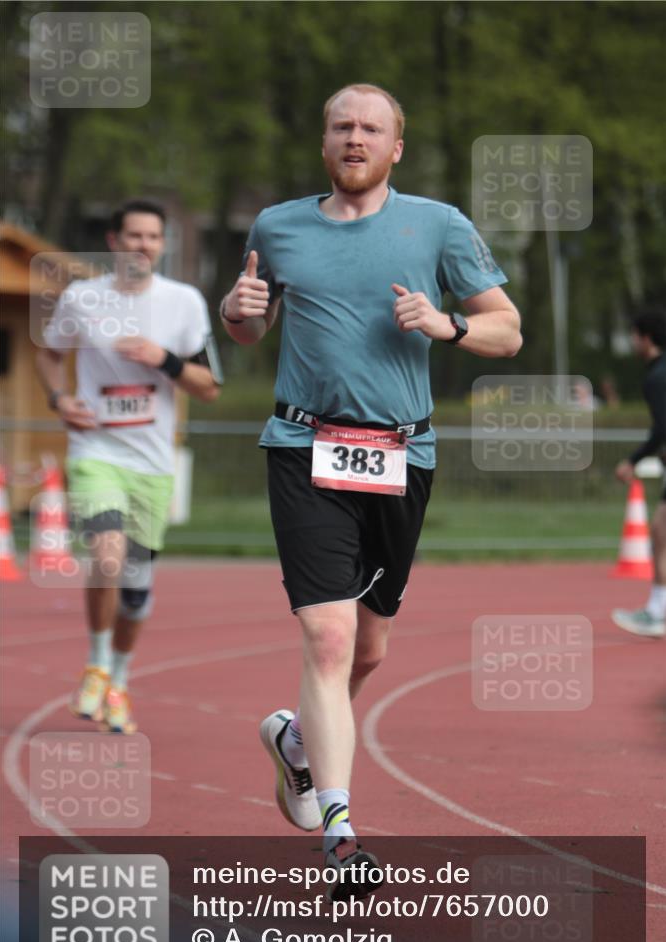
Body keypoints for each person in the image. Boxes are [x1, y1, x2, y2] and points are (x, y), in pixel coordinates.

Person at [221, 84, 521, 898]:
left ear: (396, 148)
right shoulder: (277, 227)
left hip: (399, 454)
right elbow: (249, 330)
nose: (354, 138)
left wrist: (448, 324)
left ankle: (296, 743)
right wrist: (237, 311)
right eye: (341, 126)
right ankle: (341, 832)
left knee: (368, 649)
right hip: (303, 445)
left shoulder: (438, 225)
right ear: (324, 142)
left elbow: (507, 329)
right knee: (326, 638)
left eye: (371, 128)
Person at [36, 199, 222, 732]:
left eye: (153, 237)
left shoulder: (183, 302)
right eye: (134, 235)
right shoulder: (81, 298)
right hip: (96, 452)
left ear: (163, 245)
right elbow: (50, 353)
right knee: (107, 555)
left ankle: (118, 679)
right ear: (113, 241)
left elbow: (209, 387)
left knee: (136, 594)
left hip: (152, 463)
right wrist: (59, 399)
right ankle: (96, 665)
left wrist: (162, 358)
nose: (143, 245)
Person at [612, 308, 666, 638]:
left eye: (634, 336)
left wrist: (632, 460)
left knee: (661, 533)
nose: (632, 342)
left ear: (646, 338)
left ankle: (658, 612)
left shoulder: (657, 378)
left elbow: (663, 428)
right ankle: (657, 609)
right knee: (661, 531)